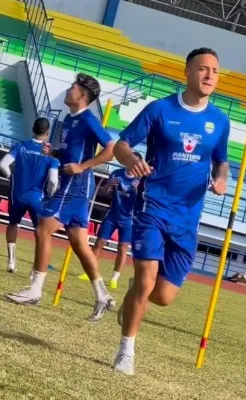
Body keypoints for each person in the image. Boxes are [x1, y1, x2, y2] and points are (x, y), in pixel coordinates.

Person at [111, 47, 230, 375]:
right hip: (153, 207)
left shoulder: (220, 120)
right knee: (147, 280)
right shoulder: (159, 110)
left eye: (215, 71)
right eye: (203, 69)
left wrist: (221, 180)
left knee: (162, 296)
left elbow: (221, 160)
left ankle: (134, 296)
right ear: (187, 73)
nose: (209, 76)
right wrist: (132, 160)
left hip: (188, 217)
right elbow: (121, 144)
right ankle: (126, 352)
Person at [6, 73, 116, 322]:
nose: (68, 90)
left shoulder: (89, 119)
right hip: (73, 185)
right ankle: (102, 296)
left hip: (75, 186)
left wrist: (83, 166)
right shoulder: (69, 118)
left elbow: (111, 150)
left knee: (43, 228)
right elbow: (70, 151)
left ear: (83, 95)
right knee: (78, 243)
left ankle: (35, 289)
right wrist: (54, 150)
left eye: (72, 87)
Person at [0, 117, 59, 273]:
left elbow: (3, 165)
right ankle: (36, 268)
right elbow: (53, 181)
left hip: (17, 193)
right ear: (47, 132)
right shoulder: (50, 155)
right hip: (37, 197)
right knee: (41, 232)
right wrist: (50, 195)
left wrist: (11, 177)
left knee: (13, 224)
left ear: (33, 129)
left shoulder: (21, 146)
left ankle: (11, 262)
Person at [91, 153, 142, 289]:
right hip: (112, 214)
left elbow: (143, 202)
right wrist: (109, 185)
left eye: (137, 163)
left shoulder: (141, 180)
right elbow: (104, 190)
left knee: (122, 248)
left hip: (128, 219)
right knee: (99, 242)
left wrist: (137, 191)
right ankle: (90, 271)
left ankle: (114, 278)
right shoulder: (116, 173)